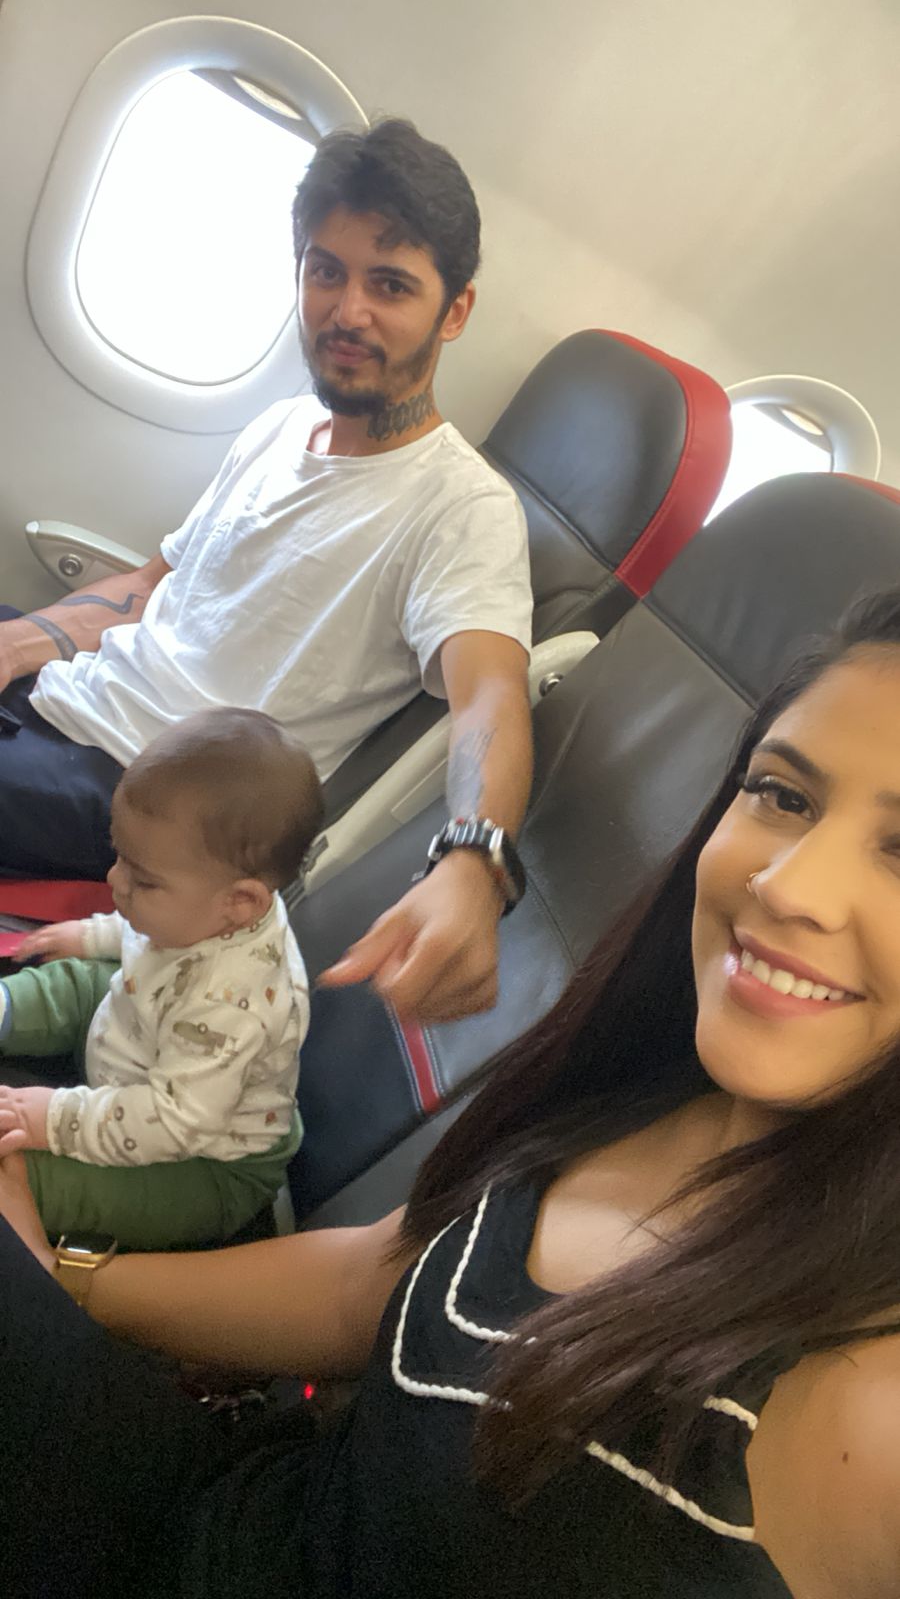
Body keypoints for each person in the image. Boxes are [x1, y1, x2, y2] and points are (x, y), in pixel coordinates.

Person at [12, 593, 900, 1596]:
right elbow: (372, 1285)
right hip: (230, 1511)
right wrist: (66, 1281)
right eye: (783, 794)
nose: (788, 884)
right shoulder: (647, 1085)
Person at [0, 118, 534, 1025]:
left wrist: (475, 862)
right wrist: (20, 644)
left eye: (389, 284)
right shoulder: (282, 426)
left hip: (145, 797)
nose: (347, 311)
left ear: (455, 311)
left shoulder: (462, 505)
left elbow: (489, 695)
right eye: (326, 271)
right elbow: (149, 587)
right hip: (71, 699)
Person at [0, 707, 322, 1249]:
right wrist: (93, 934)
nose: (113, 880)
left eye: (142, 880)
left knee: (33, 1179)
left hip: (196, 1164)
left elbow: (173, 1123)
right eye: (120, 857)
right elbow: (144, 934)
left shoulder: (230, 1005)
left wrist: (52, 1120)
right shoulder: (209, 909)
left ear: (241, 902)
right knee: (80, 981)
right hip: (142, 1040)